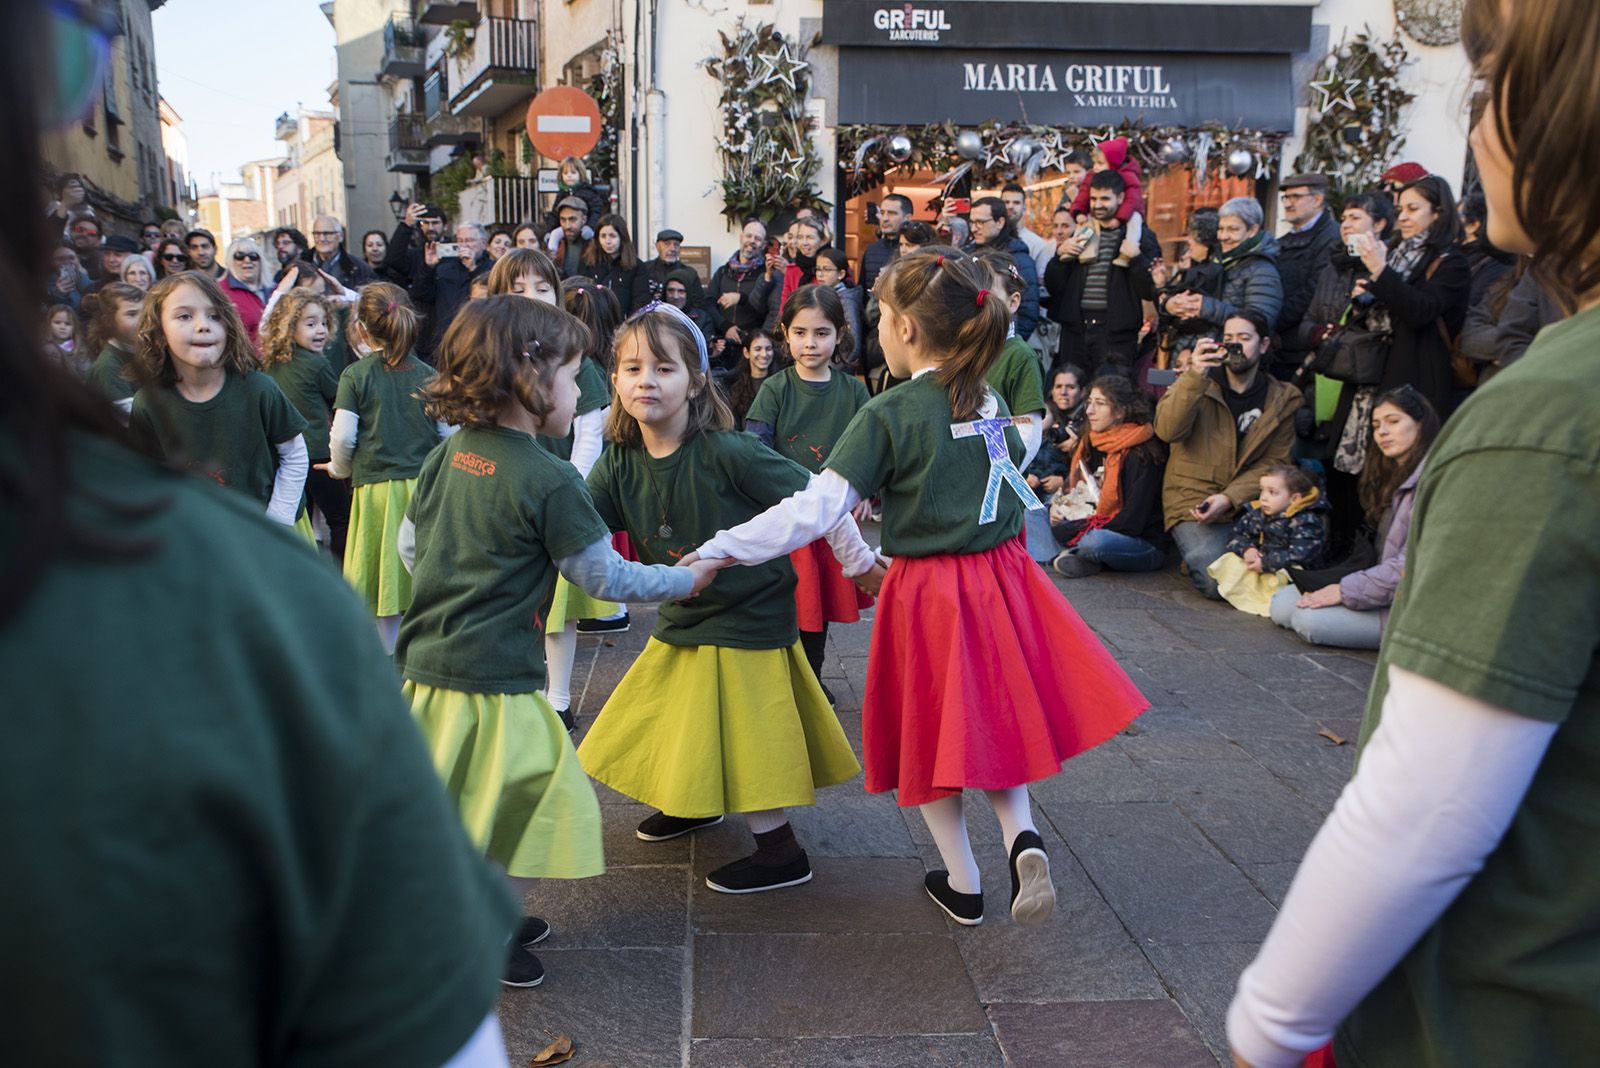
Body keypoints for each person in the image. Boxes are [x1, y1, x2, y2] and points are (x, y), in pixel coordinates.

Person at [9, 2, 517, 1055]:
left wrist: (278, 524)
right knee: (370, 612)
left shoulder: (242, 581)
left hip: (279, 532)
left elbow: (303, 447)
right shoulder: (224, 585)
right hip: (279, 540)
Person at [1228, 4, 1600, 1065]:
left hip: (1508, 1011)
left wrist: (1268, 1022)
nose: (1475, 130)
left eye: (1487, 89)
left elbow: (1426, 803)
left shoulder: (1545, 419)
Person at [691, 247, 1149, 927]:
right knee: (994, 713)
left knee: (926, 733)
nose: (874, 329)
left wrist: (724, 547)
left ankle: (963, 883)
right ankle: (1022, 834)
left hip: (928, 592)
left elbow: (816, 508)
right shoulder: (987, 395)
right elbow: (1016, 453)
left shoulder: (891, 412)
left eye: (877, 316)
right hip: (999, 579)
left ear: (905, 328)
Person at [395, 295, 719, 988]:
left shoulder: (448, 453)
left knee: (468, 807)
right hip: (497, 683)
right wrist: (684, 579)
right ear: (529, 379)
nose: (585, 393)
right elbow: (603, 574)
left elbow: (411, 546)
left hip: (425, 671)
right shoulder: (549, 478)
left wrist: (459, 588)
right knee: (541, 811)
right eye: (576, 378)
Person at [573, 304, 865, 897]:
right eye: (631, 368)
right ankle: (694, 800)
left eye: (664, 367)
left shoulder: (729, 451)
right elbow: (575, 527)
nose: (646, 380)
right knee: (674, 715)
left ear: (697, 379)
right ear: (614, 380)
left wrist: (861, 563)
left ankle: (781, 853)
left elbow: (818, 500)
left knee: (749, 735)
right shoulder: (618, 463)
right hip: (685, 611)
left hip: (749, 613)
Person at [744, 284, 874, 698]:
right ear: (785, 333)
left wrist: (865, 492)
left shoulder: (853, 390)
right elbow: (755, 447)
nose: (810, 343)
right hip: (788, 514)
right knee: (788, 603)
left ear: (838, 334)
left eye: (821, 332)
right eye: (800, 332)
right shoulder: (776, 388)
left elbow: (868, 449)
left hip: (834, 517)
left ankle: (812, 683)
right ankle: (786, 683)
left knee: (820, 610)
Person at [127, 272, 308, 527]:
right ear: (158, 330)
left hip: (268, 531)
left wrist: (276, 523)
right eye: (184, 316)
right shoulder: (148, 403)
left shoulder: (259, 388)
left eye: (214, 316)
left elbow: (295, 455)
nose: (203, 325)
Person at [1270, 386, 1438, 650]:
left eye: (1393, 422)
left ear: (1421, 424)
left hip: (1412, 607)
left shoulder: (1434, 480)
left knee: (1307, 620)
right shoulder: (1392, 473)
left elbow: (1413, 565)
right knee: (1282, 604)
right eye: (1376, 425)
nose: (1382, 432)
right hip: (1380, 587)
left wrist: (1344, 591)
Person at [323, 283, 442, 653]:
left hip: (374, 492)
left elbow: (343, 437)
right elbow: (448, 433)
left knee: (380, 581)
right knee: (421, 577)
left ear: (361, 328)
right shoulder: (427, 374)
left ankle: (386, 657)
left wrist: (339, 470)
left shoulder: (355, 375)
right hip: (423, 489)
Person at [1155, 311, 1302, 600]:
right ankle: (1199, 554)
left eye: (1244, 339)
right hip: (1193, 499)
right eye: (1228, 339)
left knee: (1287, 569)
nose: (1235, 346)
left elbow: (1275, 463)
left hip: (1254, 503)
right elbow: (1167, 430)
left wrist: (1230, 497)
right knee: (1217, 582)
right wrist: (1195, 375)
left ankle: (1206, 553)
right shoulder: (1195, 383)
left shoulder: (1282, 398)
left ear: (1263, 345)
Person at [1290, 191, 1398, 555]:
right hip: (1326, 375)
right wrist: (1318, 333)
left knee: (1361, 471)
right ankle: (1330, 547)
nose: (1346, 225)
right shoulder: (1334, 265)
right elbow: (1306, 322)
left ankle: (1359, 549)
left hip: (1366, 380)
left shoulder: (1388, 266)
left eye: (1355, 217)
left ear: (1380, 224)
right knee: (1329, 464)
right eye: (1346, 218)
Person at [1345, 174, 1470, 418]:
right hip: (1373, 371)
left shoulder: (1452, 262)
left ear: (1437, 213)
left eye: (1413, 209)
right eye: (1400, 209)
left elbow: (1420, 310)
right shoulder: (1393, 251)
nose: (1402, 217)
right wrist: (1364, 297)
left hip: (1416, 375)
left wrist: (1381, 272)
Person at [1046, 374, 1169, 577]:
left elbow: (1132, 522)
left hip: (1138, 541)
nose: (1090, 411)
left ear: (1120, 411)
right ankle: (1080, 558)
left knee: (1095, 541)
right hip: (1090, 521)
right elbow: (1076, 490)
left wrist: (1076, 526)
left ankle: (1070, 553)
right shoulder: (1091, 441)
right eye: (1089, 402)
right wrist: (1060, 508)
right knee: (1036, 512)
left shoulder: (1142, 453)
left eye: (1100, 403)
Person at [1045, 171, 1161, 378]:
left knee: (1112, 395)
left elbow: (1150, 289)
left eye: (1105, 199)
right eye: (1094, 199)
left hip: (1116, 335)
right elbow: (1055, 286)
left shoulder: (1138, 236)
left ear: (1121, 198)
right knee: (1072, 395)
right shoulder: (1081, 233)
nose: (1098, 205)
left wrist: (1135, 258)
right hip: (1076, 332)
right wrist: (1059, 256)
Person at [259, 287, 347, 552]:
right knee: (340, 517)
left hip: (283, 456)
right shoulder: (316, 364)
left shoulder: (268, 363)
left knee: (302, 519)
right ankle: (344, 578)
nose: (320, 330)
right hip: (317, 453)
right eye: (311, 324)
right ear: (289, 327)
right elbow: (339, 400)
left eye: (323, 323)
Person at [1205, 464, 1327, 616]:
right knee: (1230, 561)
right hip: (1260, 562)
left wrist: (1267, 563)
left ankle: (1271, 601)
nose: (1264, 497)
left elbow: (1301, 554)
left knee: (1291, 582)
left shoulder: (1306, 520)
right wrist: (1247, 549)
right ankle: (1248, 595)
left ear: (1294, 498)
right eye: (1262, 490)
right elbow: (1237, 535)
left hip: (1288, 569)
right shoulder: (1257, 513)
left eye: (1272, 492)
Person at [970, 247, 1048, 471]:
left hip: (995, 476)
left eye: (988, 295)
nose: (978, 303)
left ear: (1013, 302)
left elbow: (1028, 434)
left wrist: (1002, 478)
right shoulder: (962, 349)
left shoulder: (1020, 357)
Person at [1164, 197, 1283, 335]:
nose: (1223, 236)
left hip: (1231, 353)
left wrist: (1206, 307)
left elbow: (1261, 322)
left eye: (1233, 229)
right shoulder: (1215, 259)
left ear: (1253, 230)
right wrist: (1171, 304)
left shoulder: (1263, 270)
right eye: (1220, 229)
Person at [1274, 173, 1341, 375]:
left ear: (1317, 199)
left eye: (1295, 197)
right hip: (1281, 343)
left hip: (1303, 343)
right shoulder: (1283, 240)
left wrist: (1274, 321)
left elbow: (1315, 289)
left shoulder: (1332, 238)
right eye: (1286, 197)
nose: (1288, 203)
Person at [1152, 209, 1226, 359]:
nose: (1188, 241)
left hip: (1202, 350)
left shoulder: (1213, 273)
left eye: (1193, 236)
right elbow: (1168, 316)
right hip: (1183, 349)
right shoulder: (1193, 271)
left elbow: (1184, 319)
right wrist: (1162, 287)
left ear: (1205, 240)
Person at [965, 196, 1041, 339]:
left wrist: (1007, 348)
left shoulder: (1020, 260)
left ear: (1000, 222)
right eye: (972, 222)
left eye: (980, 222)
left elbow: (1028, 313)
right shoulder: (968, 254)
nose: (974, 228)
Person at [412, 220, 490, 358]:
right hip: (446, 341)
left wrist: (473, 269)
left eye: (470, 240)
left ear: (483, 243)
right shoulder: (444, 268)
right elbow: (422, 295)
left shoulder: (493, 269)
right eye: (460, 241)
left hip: (480, 341)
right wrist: (428, 268)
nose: (464, 245)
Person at [1065, 137, 1146, 265]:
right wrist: (1078, 211)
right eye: (1095, 163)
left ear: (1113, 163)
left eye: (1100, 163)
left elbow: (1132, 200)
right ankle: (1076, 246)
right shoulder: (1093, 176)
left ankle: (1127, 252)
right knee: (1086, 222)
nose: (1096, 167)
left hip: (1129, 212)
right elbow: (1084, 194)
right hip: (1107, 216)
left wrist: (1120, 218)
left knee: (1135, 221)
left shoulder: (1128, 176)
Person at [708, 217, 775, 365]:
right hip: (722, 346)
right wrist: (725, 327)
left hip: (751, 349)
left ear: (763, 245)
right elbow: (708, 304)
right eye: (749, 236)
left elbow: (766, 310)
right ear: (741, 237)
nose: (752, 241)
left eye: (757, 239)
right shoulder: (722, 272)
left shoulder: (767, 275)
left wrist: (741, 298)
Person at [1026, 362, 1087, 497]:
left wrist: (1079, 448)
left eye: (1070, 387)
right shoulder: (1043, 415)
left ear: (1083, 392)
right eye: (1058, 386)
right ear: (1051, 390)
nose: (1063, 392)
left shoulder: (1091, 420)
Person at [84, 282, 145, 415]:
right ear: (108, 321)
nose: (142, 320)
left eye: (144, 313)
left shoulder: (139, 351)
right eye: (132, 314)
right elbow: (132, 420)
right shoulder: (109, 366)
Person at [812, 248, 863, 366]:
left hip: (839, 364)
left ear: (841, 274)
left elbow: (853, 337)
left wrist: (841, 363)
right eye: (818, 269)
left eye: (827, 270)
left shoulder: (846, 300)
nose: (820, 274)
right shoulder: (827, 294)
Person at [583, 212, 644, 311]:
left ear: (622, 237)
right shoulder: (588, 263)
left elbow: (641, 301)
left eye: (612, 236)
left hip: (625, 323)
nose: (608, 241)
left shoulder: (637, 266)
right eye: (603, 236)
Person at [379, 202, 445, 290]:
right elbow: (394, 259)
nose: (430, 228)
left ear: (445, 226)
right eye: (426, 223)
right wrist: (407, 225)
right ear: (421, 226)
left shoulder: (454, 253)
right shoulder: (415, 255)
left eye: (435, 223)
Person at [635, 227, 704, 311]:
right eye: (667, 244)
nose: (672, 249)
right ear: (657, 246)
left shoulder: (690, 273)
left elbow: (698, 303)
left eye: (676, 245)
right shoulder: (644, 269)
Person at [725, 326, 783, 426]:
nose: (764, 354)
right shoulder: (735, 386)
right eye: (758, 349)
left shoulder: (781, 383)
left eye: (768, 349)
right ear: (746, 353)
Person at [220, 236, 269, 347]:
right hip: (243, 359)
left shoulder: (274, 289)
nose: (247, 261)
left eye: (253, 256)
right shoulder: (221, 291)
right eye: (240, 256)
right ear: (231, 260)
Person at [309, 215, 377, 291]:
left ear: (341, 236)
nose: (321, 239)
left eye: (327, 234)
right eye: (317, 234)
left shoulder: (359, 267)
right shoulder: (302, 265)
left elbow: (374, 297)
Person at [776, 217, 829, 316]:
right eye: (800, 237)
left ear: (822, 241)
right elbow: (783, 310)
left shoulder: (831, 268)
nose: (804, 243)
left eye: (810, 237)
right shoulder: (792, 271)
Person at [1002, 181, 1053, 282]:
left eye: (1016, 202)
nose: (1010, 206)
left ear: (1024, 207)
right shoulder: (991, 237)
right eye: (1006, 202)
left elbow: (1038, 280)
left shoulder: (1037, 244)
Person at [861, 192, 910, 292]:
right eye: (882, 213)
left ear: (907, 218)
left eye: (892, 213)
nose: (885, 218)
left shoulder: (916, 249)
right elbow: (862, 289)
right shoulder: (871, 250)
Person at [554, 155, 605, 230]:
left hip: (585, 227)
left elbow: (596, 210)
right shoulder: (562, 193)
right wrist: (549, 230)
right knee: (555, 234)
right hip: (566, 228)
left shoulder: (587, 192)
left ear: (580, 174)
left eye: (573, 173)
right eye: (565, 173)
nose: (569, 176)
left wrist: (590, 226)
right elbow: (555, 214)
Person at [548, 195, 590, 278]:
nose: (567, 226)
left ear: (584, 220)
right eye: (563, 220)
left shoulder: (593, 246)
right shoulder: (556, 244)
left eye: (572, 219)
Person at [42, 303, 87, 377]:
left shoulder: (80, 347)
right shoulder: (48, 351)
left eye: (68, 324)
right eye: (57, 322)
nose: (62, 327)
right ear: (48, 323)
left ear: (74, 327)